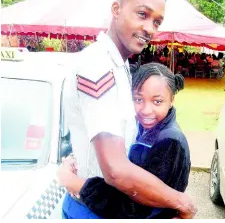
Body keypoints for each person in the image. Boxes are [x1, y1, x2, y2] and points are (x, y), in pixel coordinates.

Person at [58, 0, 197, 219]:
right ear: (116, 9)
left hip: (106, 203)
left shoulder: (119, 65)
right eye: (142, 14)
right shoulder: (97, 66)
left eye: (157, 22)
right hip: (94, 209)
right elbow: (115, 170)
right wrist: (181, 202)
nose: (149, 28)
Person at [58, 62, 191, 219]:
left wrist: (76, 184)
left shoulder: (169, 142)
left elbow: (133, 208)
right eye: (138, 99)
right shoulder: (140, 126)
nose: (146, 110)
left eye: (157, 101)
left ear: (171, 100)